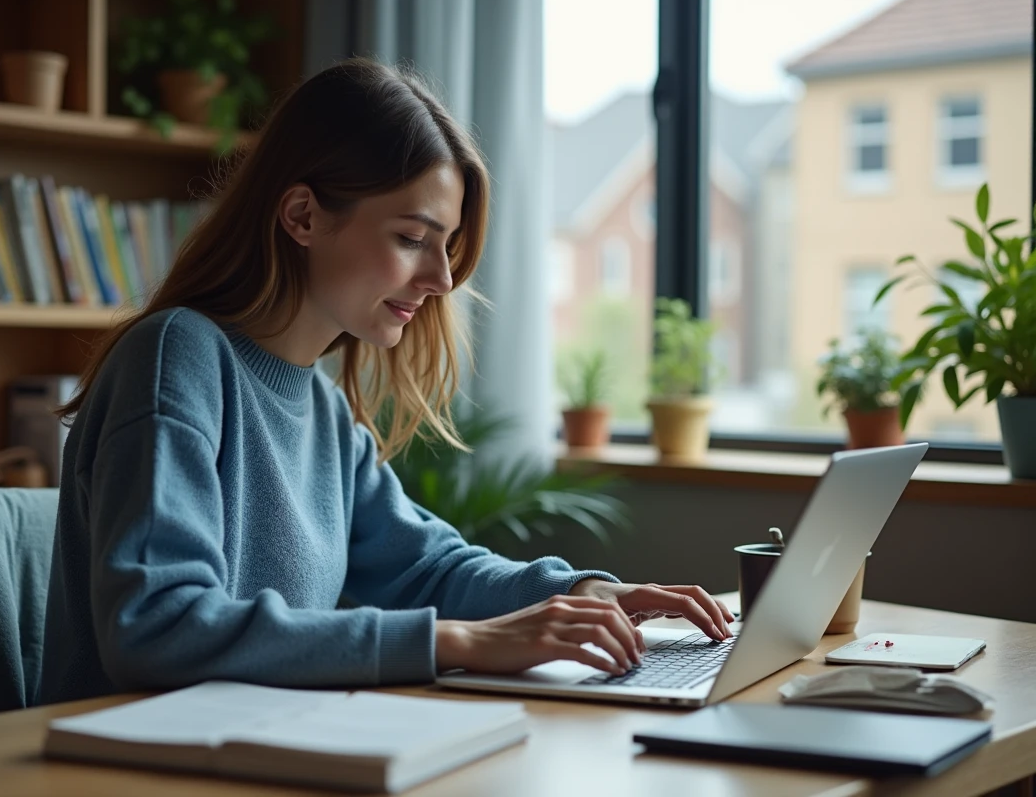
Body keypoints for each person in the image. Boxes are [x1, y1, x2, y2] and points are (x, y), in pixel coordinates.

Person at [37, 58, 734, 706]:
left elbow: (427, 571)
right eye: (411, 238)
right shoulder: (178, 356)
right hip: (129, 761)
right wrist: (459, 642)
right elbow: (158, 626)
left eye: (446, 245)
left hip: (255, 748)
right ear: (303, 216)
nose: (440, 279)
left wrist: (588, 592)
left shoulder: (321, 406)